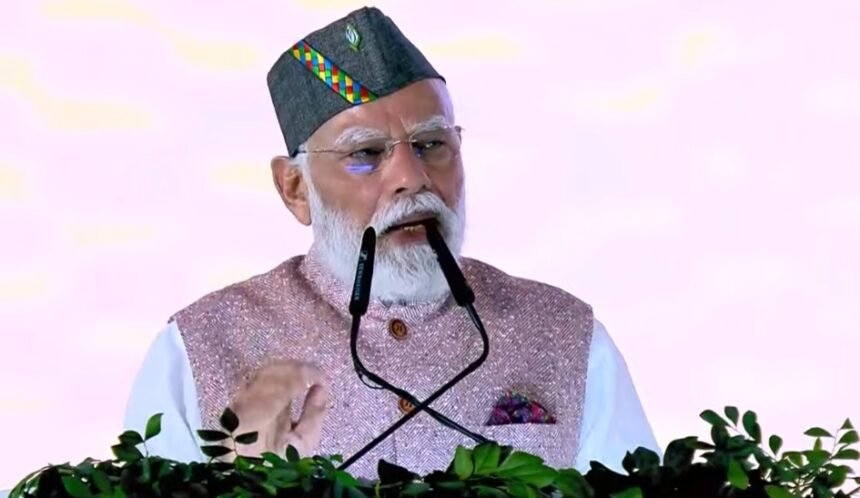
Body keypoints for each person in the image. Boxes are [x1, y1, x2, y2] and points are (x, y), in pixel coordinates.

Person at [123, 6, 659, 479]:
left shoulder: (567, 334)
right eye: (366, 154)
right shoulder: (200, 348)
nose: (412, 178)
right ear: (294, 189)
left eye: (431, 144)